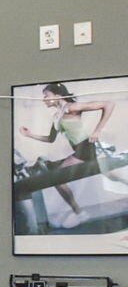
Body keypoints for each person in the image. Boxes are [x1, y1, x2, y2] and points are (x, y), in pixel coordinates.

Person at [20, 82, 127, 222]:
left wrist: (97, 130)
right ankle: (78, 212)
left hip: (86, 148)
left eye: (46, 95)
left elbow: (108, 104)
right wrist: (29, 135)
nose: (43, 99)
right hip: (81, 150)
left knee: (57, 178)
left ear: (58, 96)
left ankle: (78, 212)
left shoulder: (71, 107)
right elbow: (50, 139)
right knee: (111, 175)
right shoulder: (57, 116)